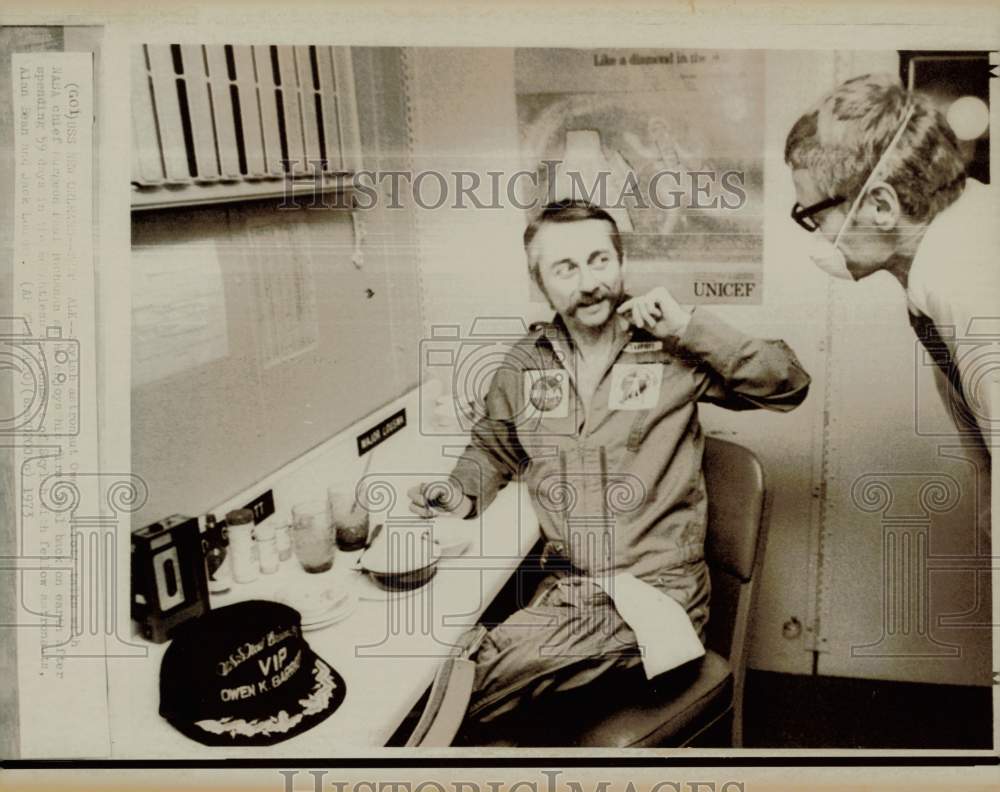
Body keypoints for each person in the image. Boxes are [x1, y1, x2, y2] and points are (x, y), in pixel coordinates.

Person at [407, 200, 811, 731]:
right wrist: (456, 494)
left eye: (600, 260)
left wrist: (689, 326)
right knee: (464, 676)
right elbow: (492, 448)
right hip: (569, 593)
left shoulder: (671, 351)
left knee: (460, 684)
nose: (589, 282)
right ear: (540, 283)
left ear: (621, 264)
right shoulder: (523, 365)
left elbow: (788, 384)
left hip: (658, 597)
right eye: (566, 268)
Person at [785, 72, 997, 454]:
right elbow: (983, 454)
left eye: (816, 218)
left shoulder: (969, 282)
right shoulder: (932, 272)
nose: (818, 236)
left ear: (882, 206)